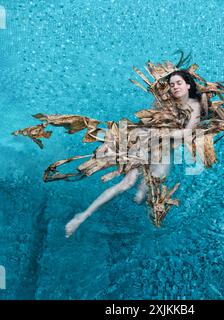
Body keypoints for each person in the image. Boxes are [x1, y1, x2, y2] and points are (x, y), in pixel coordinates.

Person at [65, 70, 206, 237]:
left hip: (164, 152)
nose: (175, 87)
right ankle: (82, 216)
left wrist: (164, 134)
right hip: (145, 144)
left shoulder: (194, 106)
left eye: (179, 83)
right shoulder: (164, 103)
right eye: (172, 84)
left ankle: (142, 227)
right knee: (126, 183)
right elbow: (145, 123)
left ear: (188, 85)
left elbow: (187, 133)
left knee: (141, 196)